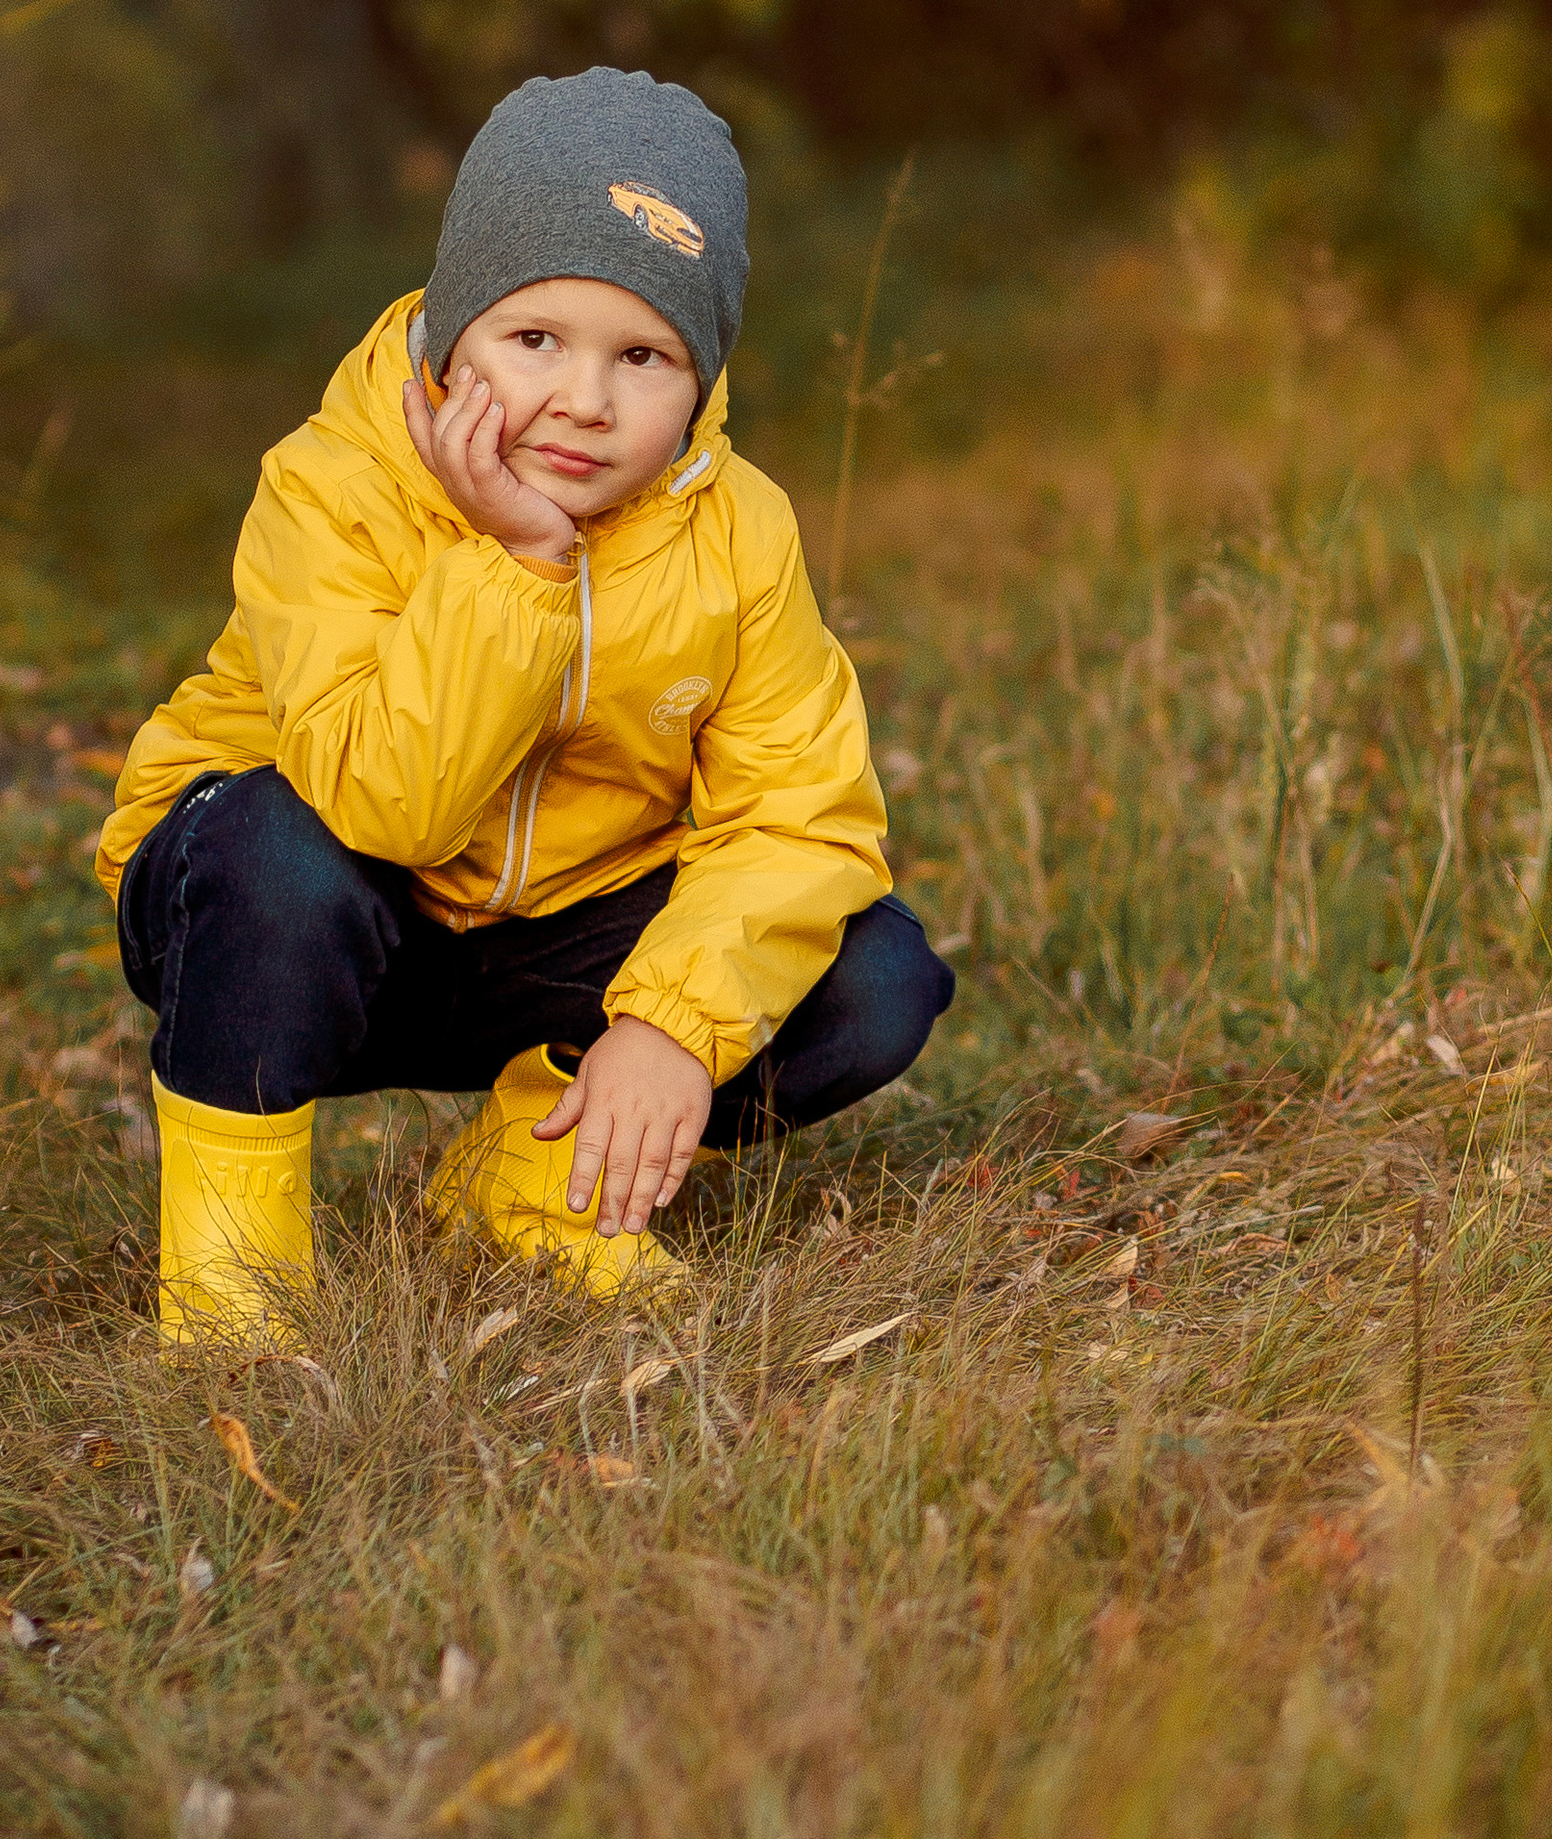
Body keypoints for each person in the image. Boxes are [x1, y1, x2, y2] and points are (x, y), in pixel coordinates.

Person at [93, 66, 955, 1344]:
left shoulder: (737, 534)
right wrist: (517, 565)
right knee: (275, 846)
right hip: (301, 918)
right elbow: (379, 803)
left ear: (704, 373)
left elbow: (800, 822)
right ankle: (233, 1287)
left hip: (554, 934)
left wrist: (668, 1028)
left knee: (874, 977)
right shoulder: (333, 484)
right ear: (453, 331)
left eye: (644, 356)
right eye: (534, 339)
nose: (583, 404)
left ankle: (534, 1179)